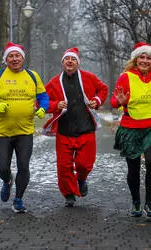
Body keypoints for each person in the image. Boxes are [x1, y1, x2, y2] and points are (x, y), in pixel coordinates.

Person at [0, 42, 49, 213]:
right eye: (11, 56)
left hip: (25, 131)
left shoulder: (32, 76)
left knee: (23, 166)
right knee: (3, 167)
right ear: (6, 60)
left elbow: (44, 97)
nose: (14, 58)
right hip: (3, 132)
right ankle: (6, 180)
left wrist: (42, 108)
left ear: (22, 58)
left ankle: (18, 199)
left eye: (17, 55)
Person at [110, 42, 151, 218]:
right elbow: (114, 102)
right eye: (142, 57)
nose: (145, 60)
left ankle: (150, 203)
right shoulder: (126, 77)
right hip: (130, 128)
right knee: (134, 167)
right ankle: (136, 202)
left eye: (149, 57)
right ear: (135, 59)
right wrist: (120, 101)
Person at [43, 47, 108, 207]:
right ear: (63, 63)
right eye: (67, 59)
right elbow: (42, 101)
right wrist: (55, 105)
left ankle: (81, 179)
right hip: (64, 131)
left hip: (85, 129)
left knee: (85, 164)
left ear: (77, 63)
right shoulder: (54, 82)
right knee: (64, 167)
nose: (70, 61)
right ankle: (69, 194)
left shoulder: (88, 78)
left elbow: (103, 89)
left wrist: (97, 100)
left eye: (73, 59)